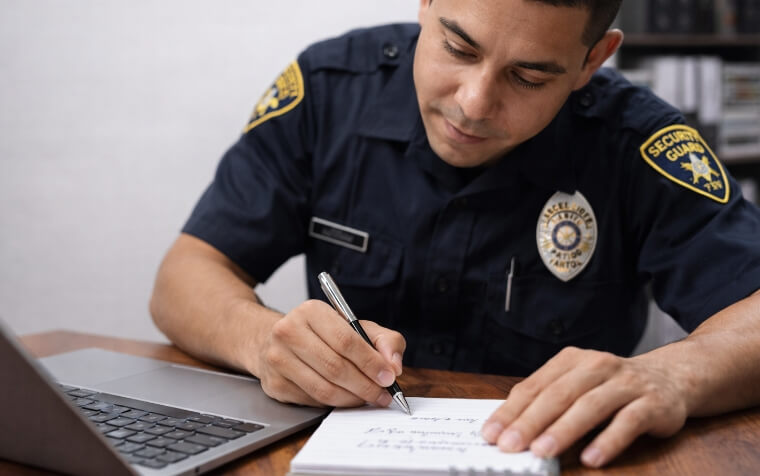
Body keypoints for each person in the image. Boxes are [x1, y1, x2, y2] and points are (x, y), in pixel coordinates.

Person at [150, 0, 760, 468]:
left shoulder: (637, 143)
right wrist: (261, 341)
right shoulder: (328, 90)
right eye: (459, 48)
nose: (473, 103)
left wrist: (671, 375)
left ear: (591, 61)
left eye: (527, 78)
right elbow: (185, 274)